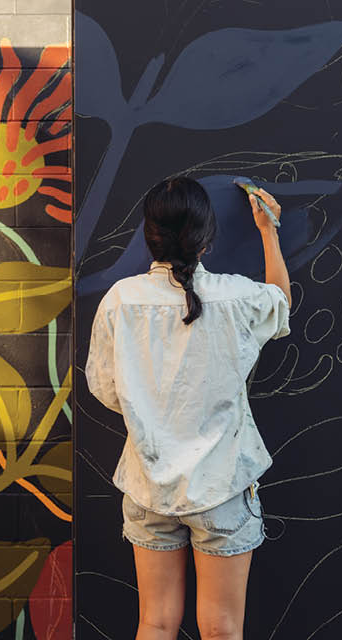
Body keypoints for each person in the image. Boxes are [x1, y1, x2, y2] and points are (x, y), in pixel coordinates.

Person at [84, 176, 292, 640]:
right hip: (222, 486)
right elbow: (282, 304)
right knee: (222, 630)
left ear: (149, 235)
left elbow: (104, 387)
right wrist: (268, 231)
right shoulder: (238, 297)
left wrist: (151, 409)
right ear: (206, 237)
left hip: (148, 486)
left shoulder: (121, 300)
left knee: (155, 623)